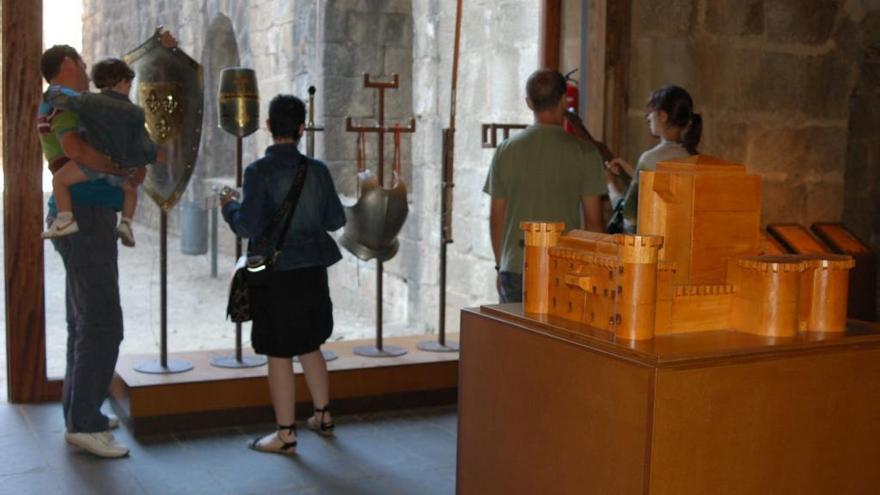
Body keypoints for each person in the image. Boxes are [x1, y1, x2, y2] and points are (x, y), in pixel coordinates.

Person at [221, 94, 346, 455]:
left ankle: (285, 433)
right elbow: (335, 220)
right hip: (312, 272)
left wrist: (229, 207)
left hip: (275, 276)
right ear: (303, 129)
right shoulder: (318, 170)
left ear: (269, 127)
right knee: (310, 344)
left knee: (278, 352)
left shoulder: (259, 171)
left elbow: (247, 225)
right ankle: (322, 415)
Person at [38, 44, 137, 458]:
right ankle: (83, 422)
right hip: (85, 215)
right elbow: (76, 152)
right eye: (79, 62)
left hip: (86, 215)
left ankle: (80, 415)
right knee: (103, 324)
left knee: (83, 323)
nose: (84, 67)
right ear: (65, 65)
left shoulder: (65, 102)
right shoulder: (63, 101)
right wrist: (119, 167)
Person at [483, 68, 607, 303]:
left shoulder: (506, 150)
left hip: (516, 265)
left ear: (529, 103)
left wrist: (500, 265)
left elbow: (496, 217)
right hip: (564, 266)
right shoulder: (586, 153)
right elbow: (594, 223)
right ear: (563, 100)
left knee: (516, 338)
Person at [42, 58, 160, 246]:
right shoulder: (135, 112)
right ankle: (126, 223)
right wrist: (153, 155)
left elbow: (66, 102)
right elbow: (144, 145)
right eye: (129, 82)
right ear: (122, 82)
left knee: (60, 180)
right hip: (121, 167)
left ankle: (65, 218)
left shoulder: (90, 101)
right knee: (130, 191)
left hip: (93, 163)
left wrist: (52, 93)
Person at [606, 85, 702, 233]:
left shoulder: (650, 159)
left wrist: (610, 184)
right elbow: (662, 189)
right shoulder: (691, 156)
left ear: (663, 116)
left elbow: (630, 215)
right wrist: (632, 170)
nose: (648, 117)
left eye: (651, 112)